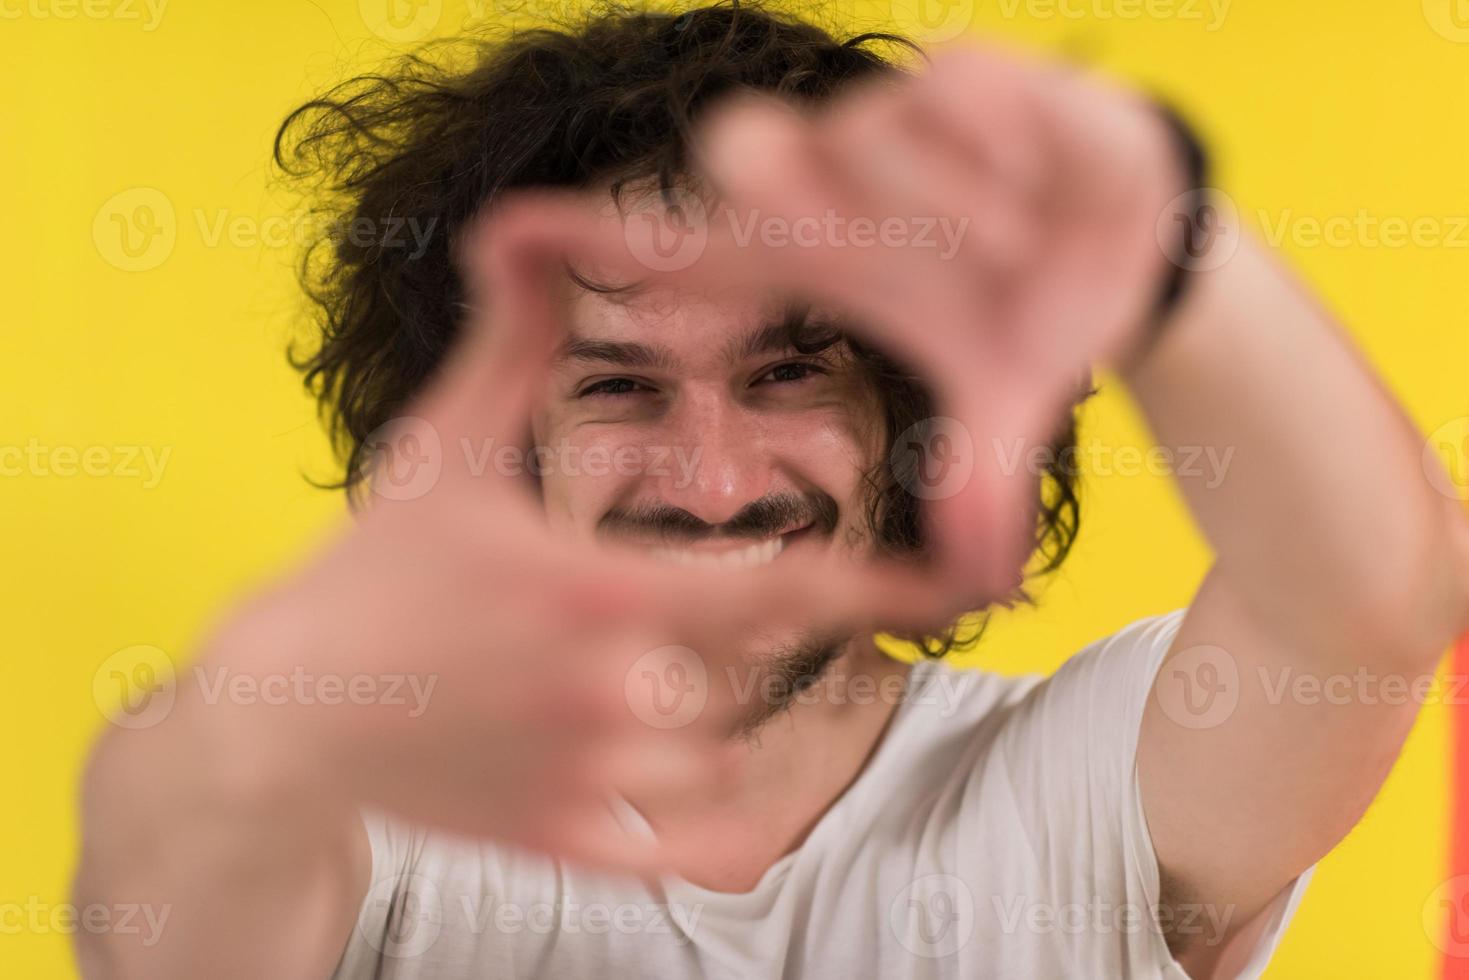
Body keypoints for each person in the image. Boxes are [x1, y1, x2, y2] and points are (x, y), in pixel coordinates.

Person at [73, 4, 1469, 979]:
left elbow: (1376, 598)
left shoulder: (1080, 791)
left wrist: (1145, 227)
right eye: (617, 385)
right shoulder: (378, 814)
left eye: (790, 372)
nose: (715, 476)